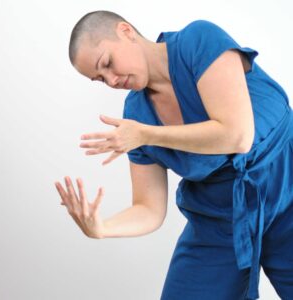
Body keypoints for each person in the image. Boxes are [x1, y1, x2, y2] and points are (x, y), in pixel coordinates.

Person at [54, 10, 293, 300]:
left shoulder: (198, 40)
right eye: (100, 79)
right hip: (219, 222)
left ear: (126, 31)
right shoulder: (136, 115)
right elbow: (149, 209)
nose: (112, 80)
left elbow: (237, 135)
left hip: (287, 195)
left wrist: (147, 134)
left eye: (107, 63)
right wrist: (102, 228)